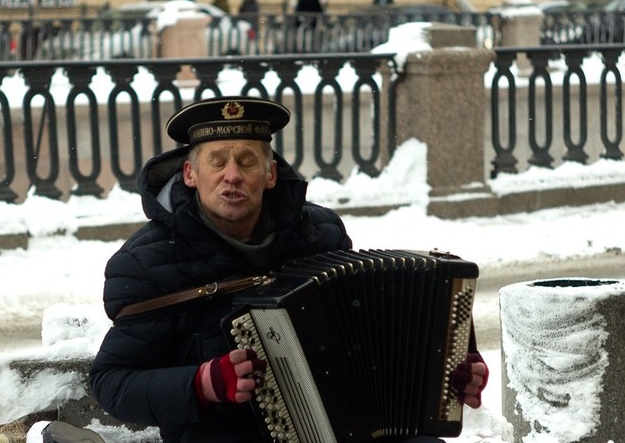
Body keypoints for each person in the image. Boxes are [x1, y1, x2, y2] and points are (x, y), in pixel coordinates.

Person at [90, 96, 487, 442]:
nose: (233, 175)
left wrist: (446, 367)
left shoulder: (320, 233)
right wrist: (202, 383)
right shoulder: (147, 262)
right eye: (218, 161)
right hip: (223, 434)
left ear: (270, 174)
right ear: (191, 174)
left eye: (247, 161)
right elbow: (112, 383)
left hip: (342, 426)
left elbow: (377, 329)